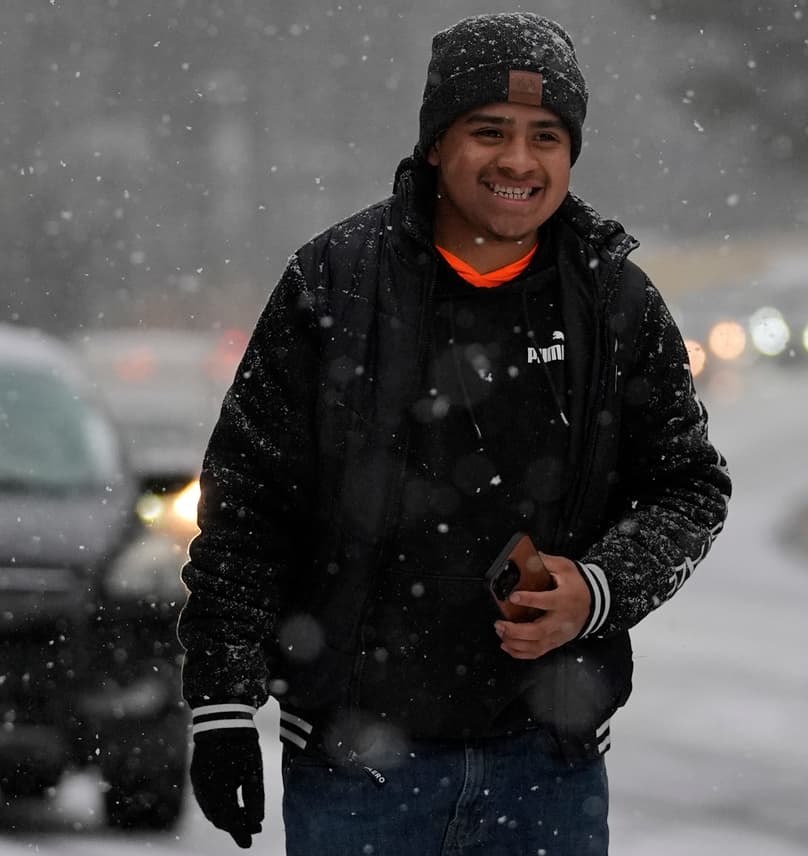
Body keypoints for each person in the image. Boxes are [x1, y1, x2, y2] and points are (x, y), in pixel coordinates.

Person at [176, 12, 731, 855]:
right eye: (489, 131)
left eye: (546, 136)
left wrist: (598, 589)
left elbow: (689, 487)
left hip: (549, 766)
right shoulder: (334, 283)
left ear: (571, 154)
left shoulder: (614, 300)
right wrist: (222, 703)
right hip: (354, 767)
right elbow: (249, 502)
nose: (518, 161)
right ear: (437, 143)